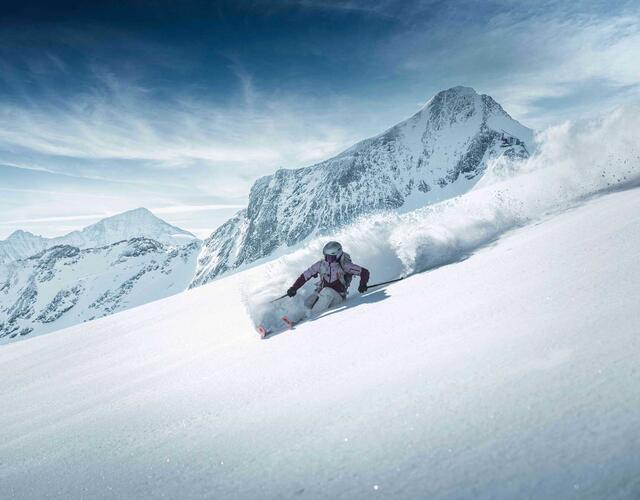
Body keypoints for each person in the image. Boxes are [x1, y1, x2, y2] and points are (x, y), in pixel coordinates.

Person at [285, 241, 370, 321]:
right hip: (322, 293)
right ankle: (293, 320)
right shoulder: (321, 264)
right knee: (309, 302)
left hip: (338, 298)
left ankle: (310, 318)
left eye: (330, 257)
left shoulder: (345, 265)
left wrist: (363, 284)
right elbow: (305, 275)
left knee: (327, 292)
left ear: (338, 255)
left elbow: (364, 272)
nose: (328, 260)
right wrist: (294, 288)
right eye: (326, 257)